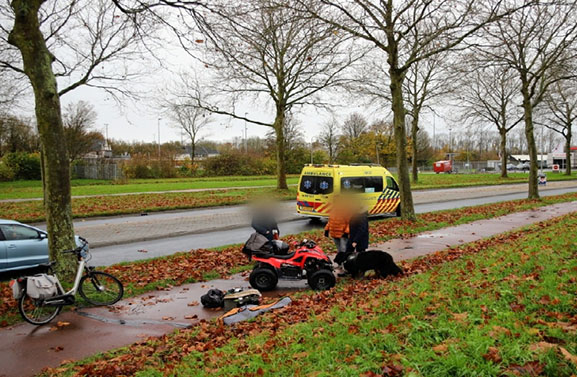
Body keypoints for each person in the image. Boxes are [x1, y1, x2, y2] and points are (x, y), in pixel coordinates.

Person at [324, 196, 350, 266]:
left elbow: (349, 222)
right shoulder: (333, 210)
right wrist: (326, 229)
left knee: (343, 250)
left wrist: (346, 232)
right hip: (334, 233)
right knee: (339, 250)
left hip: (342, 234)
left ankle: (344, 265)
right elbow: (330, 221)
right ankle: (340, 264)